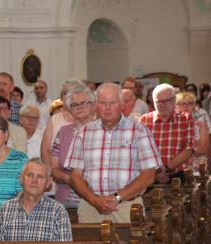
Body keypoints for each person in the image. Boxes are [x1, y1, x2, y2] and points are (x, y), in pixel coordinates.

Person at [64, 83, 161, 223]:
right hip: (91, 207)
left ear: (122, 104)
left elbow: (149, 175)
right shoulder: (84, 133)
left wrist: (117, 197)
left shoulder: (139, 132)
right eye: (103, 103)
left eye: (112, 103)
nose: (107, 108)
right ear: (96, 105)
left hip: (127, 208)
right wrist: (94, 200)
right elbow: (75, 175)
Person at [0, 158, 72, 244]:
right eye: (30, 175)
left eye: (40, 177)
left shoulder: (58, 211)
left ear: (48, 183)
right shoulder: (5, 209)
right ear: (21, 178)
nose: (34, 180)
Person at [51, 82, 96, 209]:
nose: (79, 107)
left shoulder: (103, 131)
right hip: (66, 201)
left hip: (95, 201)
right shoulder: (63, 132)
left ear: (93, 105)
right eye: (74, 104)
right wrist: (69, 179)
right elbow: (54, 169)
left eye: (84, 103)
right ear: (69, 108)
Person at [139, 83, 196, 183]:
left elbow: (188, 149)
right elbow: (139, 151)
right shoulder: (144, 120)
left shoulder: (185, 119)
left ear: (174, 100)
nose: (162, 105)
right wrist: (157, 172)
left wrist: (166, 169)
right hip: (150, 175)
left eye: (166, 101)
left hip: (178, 175)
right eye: (158, 102)